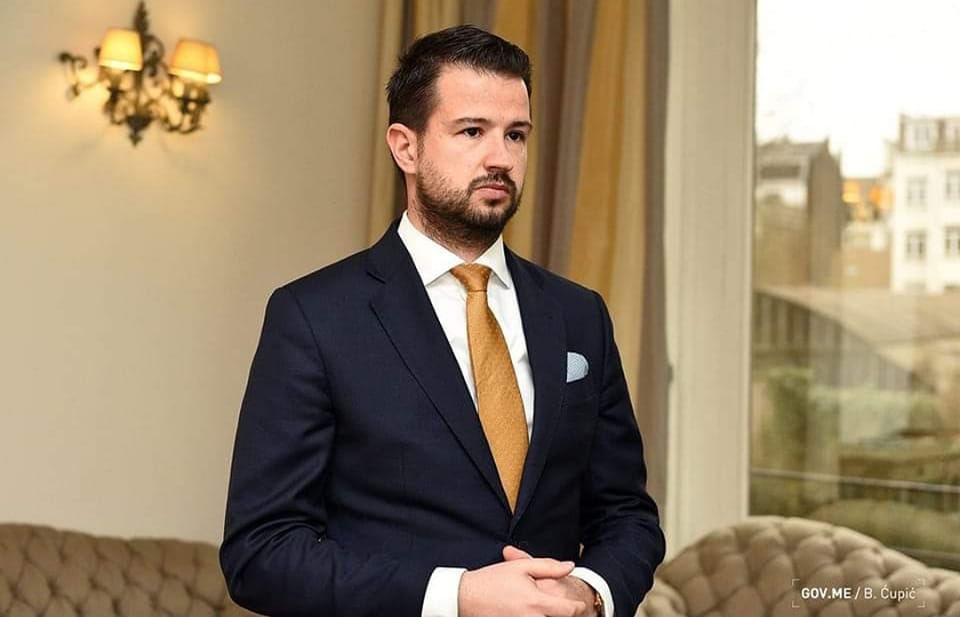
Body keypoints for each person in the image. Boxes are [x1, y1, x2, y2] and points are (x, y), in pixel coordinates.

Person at [220, 24, 665, 617]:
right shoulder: (314, 317)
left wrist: (589, 592)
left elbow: (627, 515)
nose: (501, 158)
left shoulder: (579, 314)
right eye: (472, 131)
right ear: (406, 147)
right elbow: (261, 553)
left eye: (516, 134)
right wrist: (457, 596)